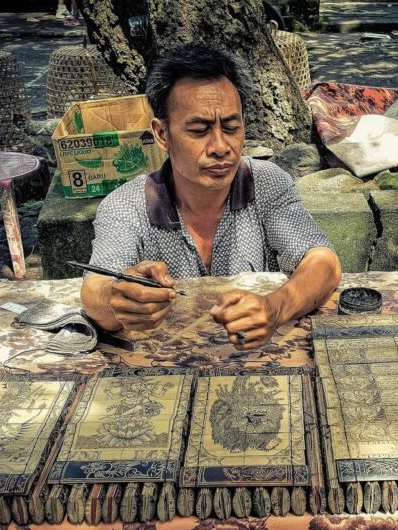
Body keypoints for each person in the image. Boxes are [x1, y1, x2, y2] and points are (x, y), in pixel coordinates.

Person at [80, 44, 342, 350]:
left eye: (231, 127)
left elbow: (324, 262)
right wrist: (119, 298)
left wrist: (274, 309)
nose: (221, 146)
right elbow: (94, 291)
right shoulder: (127, 205)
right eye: (200, 130)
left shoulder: (267, 183)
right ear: (162, 134)